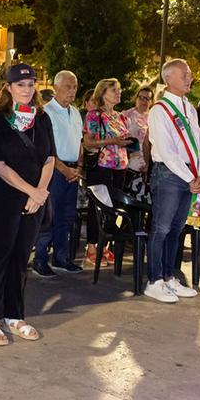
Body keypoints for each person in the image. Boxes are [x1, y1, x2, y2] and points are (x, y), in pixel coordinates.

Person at [0, 64, 54, 345]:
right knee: (0, 256)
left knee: (22, 257)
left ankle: (14, 315)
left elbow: (49, 159)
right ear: (8, 88)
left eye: (30, 84)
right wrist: (31, 192)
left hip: (35, 200)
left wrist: (40, 192)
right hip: (6, 198)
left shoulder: (42, 119)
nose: (26, 89)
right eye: (20, 85)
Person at [145, 59, 200, 303]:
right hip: (170, 176)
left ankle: (170, 277)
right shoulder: (159, 110)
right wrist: (191, 177)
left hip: (190, 175)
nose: (189, 78)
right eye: (185, 74)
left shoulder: (189, 108)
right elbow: (167, 150)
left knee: (177, 229)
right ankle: (155, 280)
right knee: (161, 228)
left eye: (190, 74)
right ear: (169, 78)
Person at [33, 70, 84, 275]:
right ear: (56, 88)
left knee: (67, 216)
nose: (72, 91)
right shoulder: (46, 113)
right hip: (53, 170)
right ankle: (40, 259)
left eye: (75, 87)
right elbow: (47, 148)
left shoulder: (76, 113)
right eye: (68, 87)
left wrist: (78, 168)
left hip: (72, 170)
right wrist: (64, 169)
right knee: (50, 216)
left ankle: (61, 257)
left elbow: (80, 143)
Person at [83, 78, 133, 266]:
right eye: (114, 90)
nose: (118, 93)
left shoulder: (121, 117)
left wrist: (128, 142)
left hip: (120, 167)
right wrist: (113, 142)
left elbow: (122, 140)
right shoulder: (95, 115)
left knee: (114, 207)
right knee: (97, 206)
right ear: (102, 93)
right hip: (102, 166)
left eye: (119, 89)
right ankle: (92, 246)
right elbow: (88, 142)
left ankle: (105, 245)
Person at [122, 83, 153, 200]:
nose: (144, 101)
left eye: (148, 98)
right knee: (128, 197)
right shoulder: (126, 115)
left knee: (144, 199)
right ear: (136, 98)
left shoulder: (153, 117)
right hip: (129, 162)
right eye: (142, 97)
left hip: (148, 163)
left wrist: (147, 163)